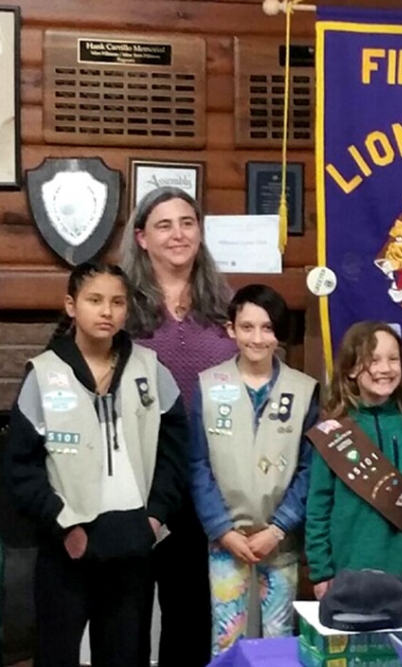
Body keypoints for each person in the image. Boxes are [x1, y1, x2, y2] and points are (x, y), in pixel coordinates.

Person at [3, 262, 186, 667]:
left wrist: (155, 516)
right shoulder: (45, 375)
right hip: (68, 540)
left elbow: (176, 451)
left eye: (117, 302)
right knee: (57, 653)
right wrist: (63, 523)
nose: (107, 311)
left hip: (133, 537)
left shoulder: (150, 368)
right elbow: (21, 467)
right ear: (71, 306)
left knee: (123, 653)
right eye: (95, 300)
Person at [121, 187, 236, 667]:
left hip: (203, 485)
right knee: (126, 616)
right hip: (136, 481)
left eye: (187, 222)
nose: (178, 234)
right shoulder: (121, 304)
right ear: (143, 237)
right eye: (164, 225)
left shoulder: (224, 308)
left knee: (189, 617)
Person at [188, 285, 318, 655]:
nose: (257, 338)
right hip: (226, 540)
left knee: (278, 638)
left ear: (279, 333)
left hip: (280, 539)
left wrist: (278, 529)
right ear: (231, 329)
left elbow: (309, 468)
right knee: (227, 637)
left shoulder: (303, 390)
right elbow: (197, 464)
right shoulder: (210, 385)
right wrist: (222, 530)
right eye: (247, 327)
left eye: (267, 328)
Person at [304, 321, 402, 607]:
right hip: (345, 570)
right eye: (373, 360)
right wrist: (320, 571)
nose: (385, 368)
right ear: (353, 369)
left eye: (393, 359)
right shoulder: (334, 432)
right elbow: (318, 507)